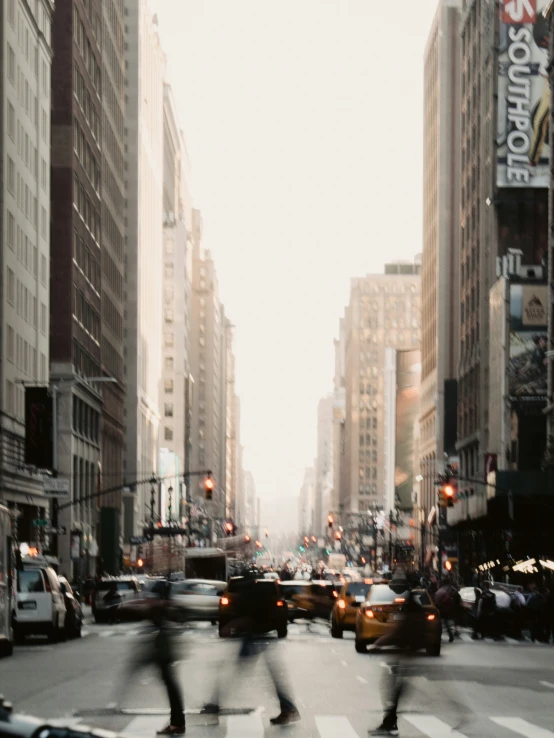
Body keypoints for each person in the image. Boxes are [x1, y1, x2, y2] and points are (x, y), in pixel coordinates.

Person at [203, 574, 300, 726]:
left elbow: (249, 617)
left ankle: (215, 704)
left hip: (253, 637)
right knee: (266, 673)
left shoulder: (247, 595)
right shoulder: (256, 593)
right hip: (258, 635)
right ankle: (287, 707)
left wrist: (231, 625)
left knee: (233, 671)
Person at [118, 582, 186, 735]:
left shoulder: (163, 607)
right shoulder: (164, 608)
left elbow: (148, 610)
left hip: (162, 650)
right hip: (161, 650)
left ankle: (177, 723)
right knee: (170, 684)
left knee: (170, 684)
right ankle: (177, 721)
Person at [433, 579, 460, 643]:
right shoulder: (448, 590)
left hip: (440, 609)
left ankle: (442, 636)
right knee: (445, 623)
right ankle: (450, 636)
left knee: (440, 623)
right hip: (445, 609)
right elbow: (448, 599)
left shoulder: (440, 591)